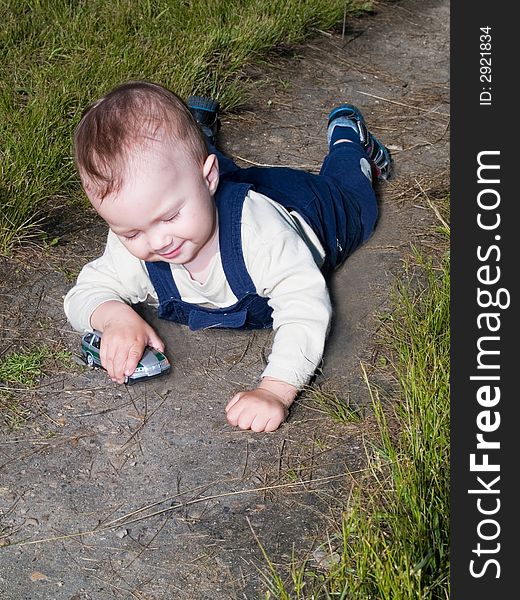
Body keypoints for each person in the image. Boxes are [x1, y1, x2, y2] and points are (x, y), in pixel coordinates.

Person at [64, 80, 391, 433]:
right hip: (209, 188)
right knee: (187, 174)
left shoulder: (260, 237)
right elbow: (83, 294)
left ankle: (348, 140)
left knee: (356, 202)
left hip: (311, 210)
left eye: (170, 216)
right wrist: (112, 317)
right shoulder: (143, 229)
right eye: (131, 232)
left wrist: (276, 389)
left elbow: (303, 305)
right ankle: (197, 136)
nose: (158, 241)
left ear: (207, 180)